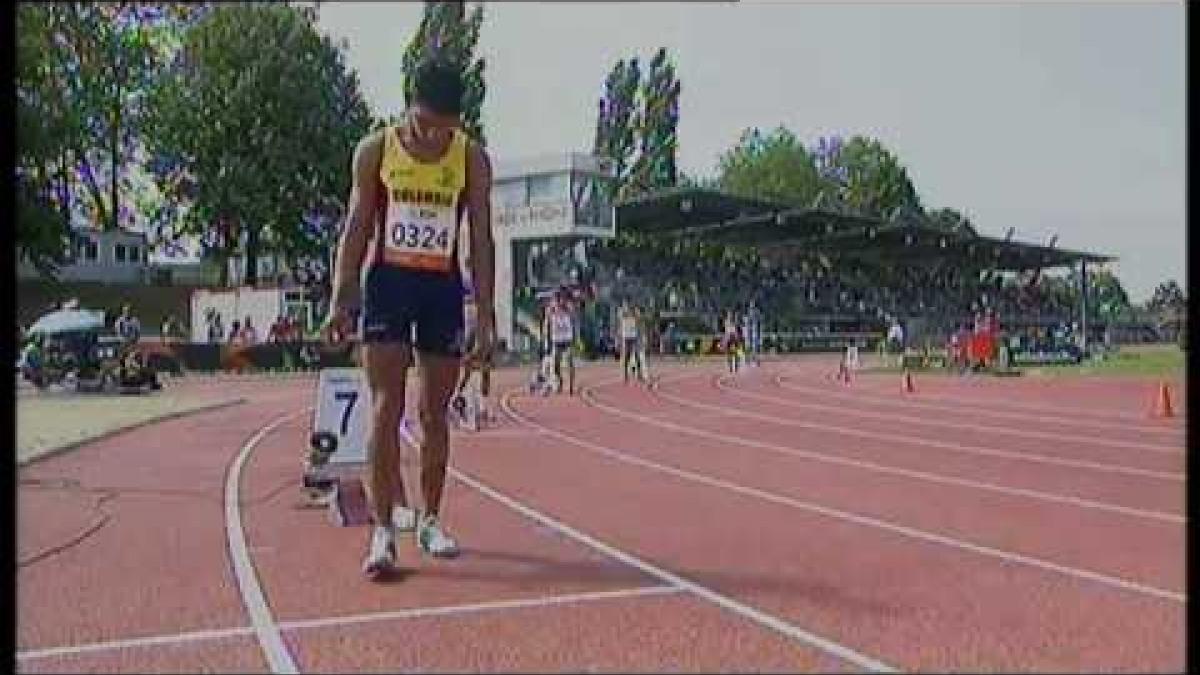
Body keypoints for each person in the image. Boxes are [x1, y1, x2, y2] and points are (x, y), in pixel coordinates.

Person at [323, 60, 494, 578]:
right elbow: (356, 224)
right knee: (383, 407)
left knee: (434, 414)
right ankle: (381, 531)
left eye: (443, 126)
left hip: (441, 287)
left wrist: (484, 315)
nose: (432, 134)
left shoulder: (472, 159)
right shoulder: (375, 150)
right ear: (408, 108)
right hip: (389, 283)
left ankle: (431, 518)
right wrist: (340, 295)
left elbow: (481, 237)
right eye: (423, 123)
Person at [452, 286, 494, 425]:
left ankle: (483, 406)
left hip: (482, 339)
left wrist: (492, 340)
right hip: (469, 339)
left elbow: (492, 323)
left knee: (484, 373)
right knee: (467, 373)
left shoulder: (486, 307)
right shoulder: (465, 309)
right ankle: (458, 398)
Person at [543, 290, 577, 395]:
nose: (559, 302)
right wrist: (546, 339)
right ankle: (559, 382)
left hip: (567, 339)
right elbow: (546, 325)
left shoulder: (569, 308)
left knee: (569, 361)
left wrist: (575, 337)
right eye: (556, 300)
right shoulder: (550, 310)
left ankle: (571, 384)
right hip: (556, 340)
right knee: (555, 364)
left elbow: (574, 322)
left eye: (561, 300)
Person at [617, 302, 644, 384]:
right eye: (625, 305)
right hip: (626, 337)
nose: (627, 307)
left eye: (628, 305)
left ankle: (639, 374)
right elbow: (620, 315)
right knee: (627, 356)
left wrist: (635, 311)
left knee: (636, 355)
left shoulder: (635, 313)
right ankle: (625, 375)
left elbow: (639, 318)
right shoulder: (622, 313)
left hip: (634, 336)